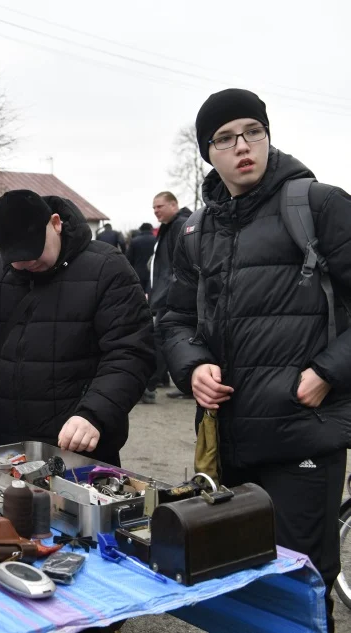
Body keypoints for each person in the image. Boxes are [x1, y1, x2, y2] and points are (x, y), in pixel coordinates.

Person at [161, 88, 351, 631]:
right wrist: (192, 365)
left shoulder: (318, 205)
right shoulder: (196, 230)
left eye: (253, 131)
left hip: (304, 437)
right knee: (241, 587)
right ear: (208, 153)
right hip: (228, 443)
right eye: (224, 138)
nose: (242, 146)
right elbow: (172, 320)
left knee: (300, 589)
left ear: (267, 136)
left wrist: (327, 372)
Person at [0, 190, 155, 466]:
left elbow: (131, 351)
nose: (26, 263)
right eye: (16, 256)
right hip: (9, 444)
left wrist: (94, 414)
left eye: (33, 250)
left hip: (82, 446)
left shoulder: (107, 268)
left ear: (55, 223)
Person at [146, 192, 193, 402]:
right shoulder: (168, 227)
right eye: (154, 208)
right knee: (166, 338)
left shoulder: (179, 225)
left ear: (174, 205)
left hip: (175, 296)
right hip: (167, 295)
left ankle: (150, 384)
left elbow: (180, 263)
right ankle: (163, 382)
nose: (156, 211)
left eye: (160, 206)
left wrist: (172, 292)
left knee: (162, 338)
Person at [126, 222, 155, 294]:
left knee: (139, 294)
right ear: (151, 229)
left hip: (138, 271)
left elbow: (129, 258)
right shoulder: (156, 240)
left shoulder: (134, 241)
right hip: (153, 272)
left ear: (141, 230)